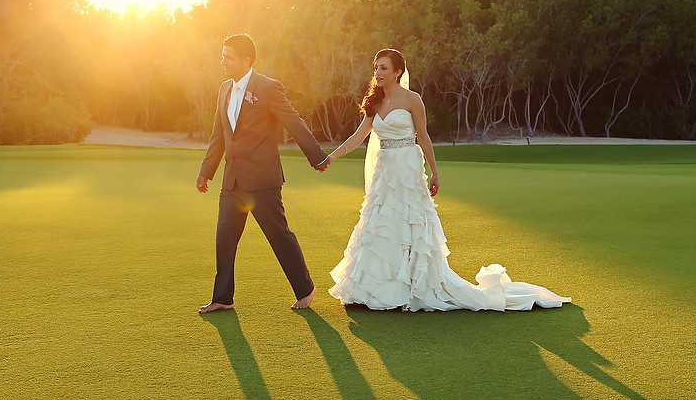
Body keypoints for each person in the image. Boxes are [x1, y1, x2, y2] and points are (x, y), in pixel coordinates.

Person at [323, 48, 571, 312]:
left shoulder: (412, 99)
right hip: (384, 172)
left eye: (383, 68)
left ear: (398, 71)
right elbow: (358, 136)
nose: (377, 73)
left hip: (407, 167)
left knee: (409, 222)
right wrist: (332, 157)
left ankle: (412, 285)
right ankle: (379, 287)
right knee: (382, 223)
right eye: (375, 68)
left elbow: (424, 137)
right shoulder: (373, 102)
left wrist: (435, 172)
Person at [195, 33, 330, 314]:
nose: (222, 62)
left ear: (246, 60)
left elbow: (293, 121)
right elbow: (218, 134)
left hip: (262, 179)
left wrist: (316, 156)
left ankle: (305, 288)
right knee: (224, 238)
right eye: (222, 56)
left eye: (228, 57)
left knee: (278, 235)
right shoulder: (224, 89)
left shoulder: (268, 87)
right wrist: (206, 171)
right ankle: (223, 298)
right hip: (232, 180)